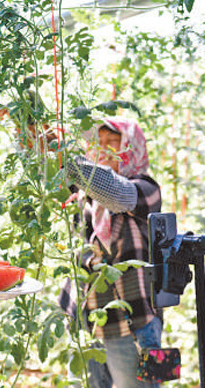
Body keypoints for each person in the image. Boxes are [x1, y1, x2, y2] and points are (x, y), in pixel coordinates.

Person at [59, 117, 163, 388]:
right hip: (87, 321)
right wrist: (29, 125)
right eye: (96, 143)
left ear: (131, 147)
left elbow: (115, 193)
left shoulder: (145, 189)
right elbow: (44, 173)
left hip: (132, 323)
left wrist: (67, 158)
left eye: (112, 143)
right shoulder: (80, 194)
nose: (101, 149)